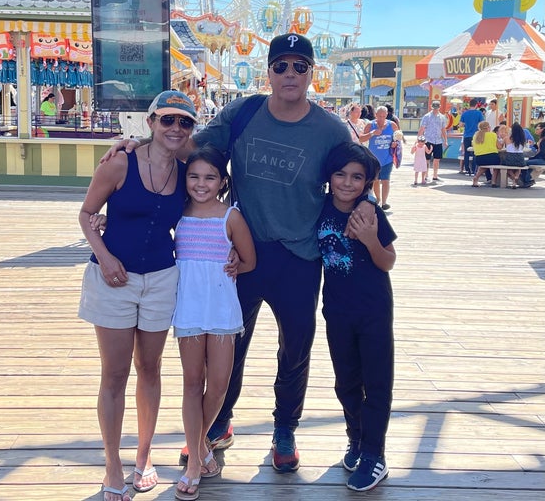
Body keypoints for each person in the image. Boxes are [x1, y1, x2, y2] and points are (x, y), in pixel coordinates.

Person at [101, 33, 376, 474]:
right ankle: (217, 422)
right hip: (241, 252)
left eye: (299, 66)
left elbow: (355, 173)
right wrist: (138, 144)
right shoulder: (244, 112)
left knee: (295, 348)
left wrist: (368, 207)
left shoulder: (329, 128)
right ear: (268, 72)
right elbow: (192, 148)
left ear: (312, 73)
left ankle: (284, 427)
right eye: (281, 66)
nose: (289, 74)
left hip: (300, 256)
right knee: (229, 343)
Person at [78, 90, 197, 501]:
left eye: (185, 122)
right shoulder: (119, 163)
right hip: (114, 278)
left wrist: (232, 248)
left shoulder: (187, 172)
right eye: (168, 120)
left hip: (162, 277)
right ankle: (113, 464)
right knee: (114, 374)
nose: (176, 128)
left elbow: (209, 206)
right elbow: (86, 214)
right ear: (151, 122)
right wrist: (105, 257)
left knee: (150, 368)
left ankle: (143, 457)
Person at [173, 145, 256, 501]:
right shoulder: (176, 214)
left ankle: (199, 443)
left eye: (210, 177)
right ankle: (196, 460)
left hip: (222, 309)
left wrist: (235, 262)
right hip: (188, 308)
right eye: (193, 176)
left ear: (222, 181)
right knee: (193, 384)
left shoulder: (230, 217)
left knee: (219, 385)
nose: (200, 183)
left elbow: (249, 261)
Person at [318, 142, 397, 492]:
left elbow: (388, 261)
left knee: (376, 382)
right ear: (329, 176)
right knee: (346, 381)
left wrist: (369, 239)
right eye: (341, 174)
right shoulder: (319, 208)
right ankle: (357, 438)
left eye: (356, 177)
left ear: (366, 183)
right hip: (337, 310)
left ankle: (374, 454)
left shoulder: (371, 214)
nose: (347, 183)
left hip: (373, 310)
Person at [365, 105, 396, 210]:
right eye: (379, 116)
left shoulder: (392, 125)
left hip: (387, 158)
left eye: (383, 116)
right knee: (375, 180)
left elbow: (398, 138)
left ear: (387, 115)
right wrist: (372, 133)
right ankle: (378, 199)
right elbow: (361, 138)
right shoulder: (370, 125)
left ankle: (384, 202)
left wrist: (395, 143)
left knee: (386, 180)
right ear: (375, 115)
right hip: (373, 159)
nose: (381, 118)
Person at [418, 100, 448, 182]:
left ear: (439, 107)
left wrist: (445, 140)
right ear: (431, 107)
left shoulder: (442, 117)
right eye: (434, 107)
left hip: (438, 141)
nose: (435, 109)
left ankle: (435, 175)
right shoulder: (427, 116)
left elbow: (443, 129)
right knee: (427, 159)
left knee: (437, 159)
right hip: (428, 140)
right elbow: (422, 128)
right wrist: (419, 140)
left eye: (437, 107)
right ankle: (426, 175)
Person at [471, 121, 503, 187]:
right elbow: (499, 147)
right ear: (488, 127)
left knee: (483, 166)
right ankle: (493, 181)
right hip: (492, 157)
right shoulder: (493, 135)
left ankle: (476, 178)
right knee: (496, 165)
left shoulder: (476, 135)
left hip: (479, 158)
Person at [459, 99, 483, 176]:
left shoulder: (465, 113)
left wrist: (466, 124)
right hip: (476, 135)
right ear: (476, 105)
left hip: (466, 135)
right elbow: (482, 124)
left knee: (466, 153)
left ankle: (467, 169)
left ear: (469, 105)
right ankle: (474, 170)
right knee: (475, 152)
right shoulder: (479, 113)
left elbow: (460, 125)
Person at [501, 122, 527, 188]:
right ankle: (515, 178)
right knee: (518, 168)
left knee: (506, 166)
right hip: (520, 158)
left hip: (510, 157)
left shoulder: (507, 138)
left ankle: (513, 178)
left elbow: (500, 147)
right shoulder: (523, 139)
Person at [520, 121, 545, 187]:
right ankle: (527, 179)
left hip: (542, 159)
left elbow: (542, 152)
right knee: (527, 162)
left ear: (543, 129)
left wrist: (534, 156)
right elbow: (538, 147)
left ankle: (526, 180)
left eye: (537, 129)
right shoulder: (541, 139)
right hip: (540, 158)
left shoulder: (543, 139)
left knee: (524, 162)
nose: (536, 131)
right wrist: (534, 144)